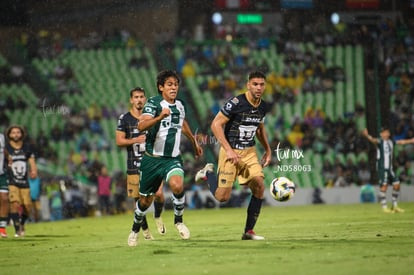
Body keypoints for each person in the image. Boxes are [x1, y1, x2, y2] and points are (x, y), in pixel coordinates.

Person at [127, 70, 203, 246]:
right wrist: (160, 116)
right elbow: (141, 125)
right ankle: (134, 230)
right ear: (161, 87)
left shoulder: (181, 105)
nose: (173, 87)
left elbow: (182, 123)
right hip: (151, 160)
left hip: (172, 158)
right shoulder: (153, 103)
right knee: (145, 202)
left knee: (177, 185)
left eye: (176, 84)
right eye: (169, 84)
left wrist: (193, 142)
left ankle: (179, 221)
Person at [195, 70, 272, 240]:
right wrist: (229, 149)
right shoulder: (236, 103)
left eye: (261, 84)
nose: (258, 88)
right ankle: (208, 174)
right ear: (248, 85)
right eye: (255, 84)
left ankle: (248, 232)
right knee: (223, 197)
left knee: (259, 185)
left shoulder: (263, 106)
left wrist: (267, 149)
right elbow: (215, 125)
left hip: (250, 152)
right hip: (230, 152)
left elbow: (259, 128)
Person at [116, 87, 166, 241]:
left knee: (158, 194)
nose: (139, 99)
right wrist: (134, 140)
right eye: (136, 97)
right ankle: (144, 230)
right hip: (134, 166)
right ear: (131, 100)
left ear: (145, 99)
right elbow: (119, 141)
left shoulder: (151, 117)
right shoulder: (125, 119)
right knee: (139, 201)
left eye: (141, 97)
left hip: (152, 163)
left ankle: (157, 216)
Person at [362, 127, 414, 213]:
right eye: (384, 133)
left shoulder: (391, 142)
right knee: (384, 186)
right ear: (381, 134)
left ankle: (394, 205)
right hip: (382, 168)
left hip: (390, 169)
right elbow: (373, 140)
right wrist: (367, 136)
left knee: (397, 184)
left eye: (387, 132)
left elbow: (400, 142)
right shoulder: (380, 142)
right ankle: (384, 207)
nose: (386, 134)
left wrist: (411, 141)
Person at [5, 125, 38, 237]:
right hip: (11, 181)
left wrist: (33, 170)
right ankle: (17, 229)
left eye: (18, 132)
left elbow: (32, 160)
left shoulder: (27, 147)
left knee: (27, 206)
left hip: (24, 181)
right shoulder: (6, 148)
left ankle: (22, 223)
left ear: (22, 134)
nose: (15, 134)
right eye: (13, 132)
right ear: (9, 135)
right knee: (14, 204)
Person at [0, 132, 9, 237]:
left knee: (4, 198)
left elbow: (3, 150)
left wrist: (9, 156)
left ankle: (2, 227)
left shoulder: (1, 136)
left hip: (1, 174)